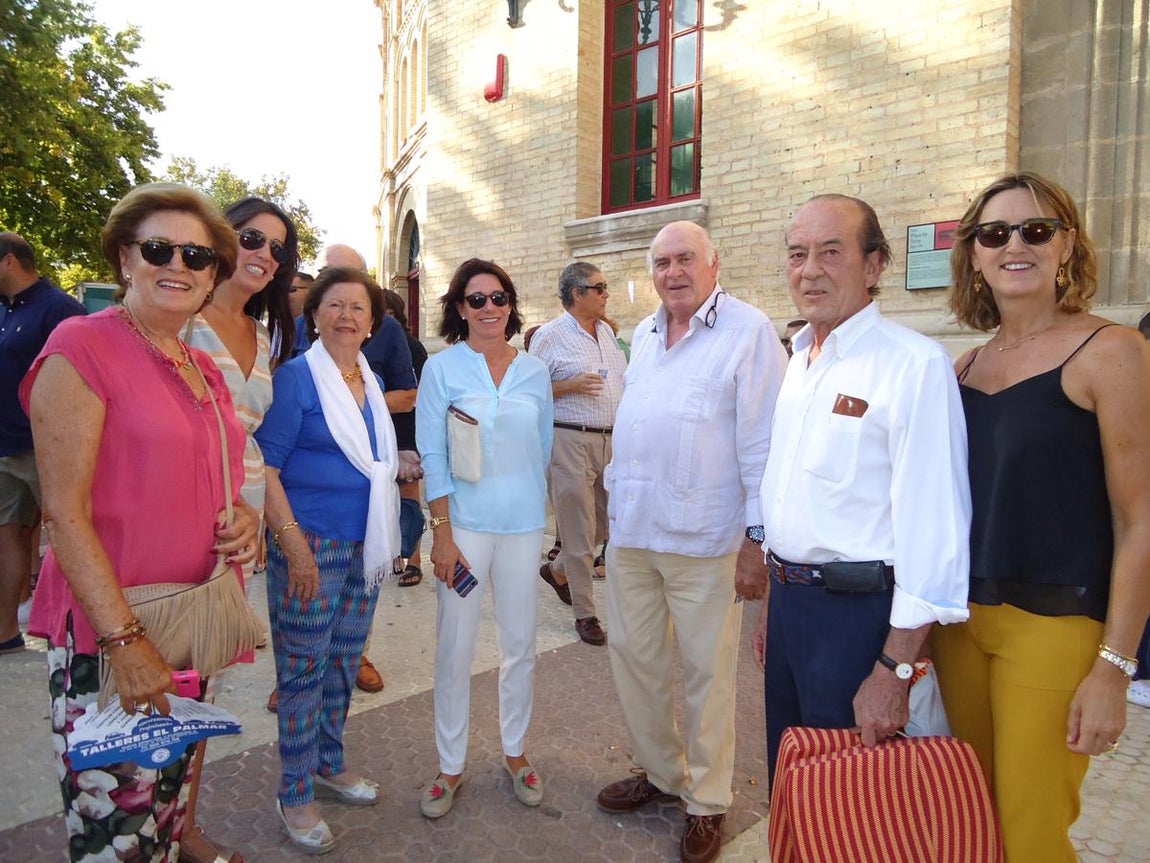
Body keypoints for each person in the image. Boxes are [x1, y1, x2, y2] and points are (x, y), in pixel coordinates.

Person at [20, 182, 258, 863]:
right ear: (126, 258)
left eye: (198, 255)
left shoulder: (201, 365)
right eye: (159, 248)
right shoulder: (82, 345)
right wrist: (125, 642)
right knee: (116, 831)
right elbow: (63, 510)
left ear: (213, 274)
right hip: (116, 628)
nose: (178, 265)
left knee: (165, 803)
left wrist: (243, 518)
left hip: (191, 620)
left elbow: (209, 474)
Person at [933, 172, 1150, 863]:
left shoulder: (1112, 352)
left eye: (1036, 229)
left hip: (1057, 627)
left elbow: (1140, 518)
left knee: (1031, 833)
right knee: (973, 820)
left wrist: (1114, 668)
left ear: (1067, 247)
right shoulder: (962, 366)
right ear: (973, 254)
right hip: (959, 625)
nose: (1014, 245)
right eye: (995, 233)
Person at [755, 194, 971, 785]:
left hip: (859, 624)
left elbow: (936, 529)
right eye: (797, 254)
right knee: (794, 785)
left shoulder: (914, 365)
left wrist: (894, 670)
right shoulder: (798, 362)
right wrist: (776, 603)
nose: (811, 269)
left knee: (855, 804)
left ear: (874, 265)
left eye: (832, 251)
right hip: (793, 610)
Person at [597, 221, 786, 863]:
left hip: (708, 541)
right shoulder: (645, 336)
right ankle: (660, 773)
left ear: (713, 264)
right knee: (635, 660)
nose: (673, 271)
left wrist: (756, 542)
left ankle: (707, 801)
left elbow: (763, 446)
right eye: (661, 262)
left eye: (685, 259)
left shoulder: (749, 332)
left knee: (708, 677)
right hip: (634, 534)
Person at [255, 266, 404, 855]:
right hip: (309, 544)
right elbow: (265, 466)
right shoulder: (296, 378)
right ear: (313, 315)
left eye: (358, 307)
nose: (347, 315)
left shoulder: (366, 380)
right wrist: (292, 545)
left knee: (343, 663)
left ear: (373, 323)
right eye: (334, 305)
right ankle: (293, 790)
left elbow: (371, 459)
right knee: (302, 673)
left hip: (364, 545)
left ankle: (327, 762)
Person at [414, 258, 553, 818]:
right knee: (455, 647)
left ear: (510, 306)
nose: (490, 308)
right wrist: (442, 534)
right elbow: (433, 453)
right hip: (465, 530)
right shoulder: (443, 369)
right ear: (459, 308)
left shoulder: (535, 372)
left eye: (499, 298)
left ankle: (515, 752)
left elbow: (541, 449)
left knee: (520, 644)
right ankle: (450, 764)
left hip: (522, 528)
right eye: (477, 299)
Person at [530, 261, 627, 645]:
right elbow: (528, 391)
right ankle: (586, 613)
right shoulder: (550, 336)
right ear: (577, 294)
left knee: (606, 524)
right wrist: (569, 385)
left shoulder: (607, 332)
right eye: (599, 287)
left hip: (612, 441)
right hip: (570, 439)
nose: (606, 294)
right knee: (579, 530)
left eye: (606, 286)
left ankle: (557, 569)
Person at [0, 233, 85, 655]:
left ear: (9, 262)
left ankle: (77, 635)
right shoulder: (5, 310)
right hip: (6, 446)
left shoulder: (61, 310)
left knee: (69, 535)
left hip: (46, 447)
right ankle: (5, 633)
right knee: (8, 534)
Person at [381, 287, 429, 586]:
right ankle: (395, 551)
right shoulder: (368, 344)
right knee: (386, 495)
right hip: (381, 428)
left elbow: (420, 391)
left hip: (407, 427)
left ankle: (414, 559)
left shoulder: (412, 346)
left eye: (389, 314)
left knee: (408, 495)